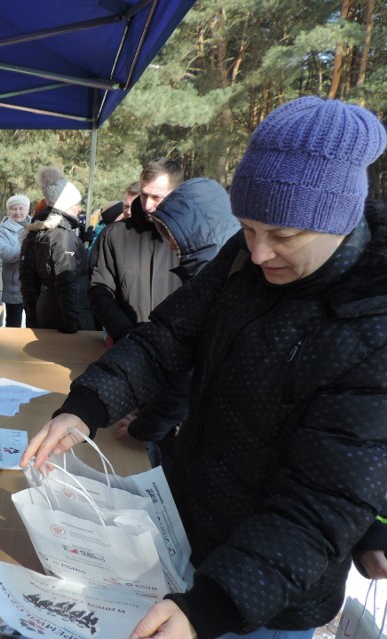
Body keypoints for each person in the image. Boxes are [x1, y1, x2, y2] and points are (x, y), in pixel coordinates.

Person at [22, 97, 387, 639]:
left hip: (266, 592)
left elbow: (323, 501)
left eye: (284, 237)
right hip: (188, 531)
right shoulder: (243, 256)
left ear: (337, 220)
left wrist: (215, 604)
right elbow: (167, 338)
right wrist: (88, 406)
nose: (260, 253)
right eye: (249, 227)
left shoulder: (372, 324)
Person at [113, 177, 240, 473]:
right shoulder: (209, 273)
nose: (170, 245)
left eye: (173, 235)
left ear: (198, 231)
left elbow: (189, 374)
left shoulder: (216, 282)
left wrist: (144, 427)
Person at [88, 159, 184, 342]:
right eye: (143, 195)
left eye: (156, 198)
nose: (147, 205)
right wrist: (126, 333)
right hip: (125, 345)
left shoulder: (191, 239)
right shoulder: (114, 235)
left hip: (177, 349)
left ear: (176, 194)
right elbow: (99, 290)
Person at [19, 166, 95, 333]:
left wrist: (32, 317)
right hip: (66, 316)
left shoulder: (38, 231)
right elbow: (66, 281)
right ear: (66, 205)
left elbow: (28, 281)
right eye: (76, 204)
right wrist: (72, 326)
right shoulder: (61, 235)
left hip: (48, 313)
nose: (79, 208)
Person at [0, 193, 31, 327]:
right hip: (13, 287)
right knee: (13, 324)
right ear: (9, 210)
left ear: (27, 209)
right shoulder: (3, 229)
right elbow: (6, 255)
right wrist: (26, 243)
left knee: (33, 325)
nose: (17, 212)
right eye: (13, 209)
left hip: (32, 285)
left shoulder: (35, 226)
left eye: (21, 208)